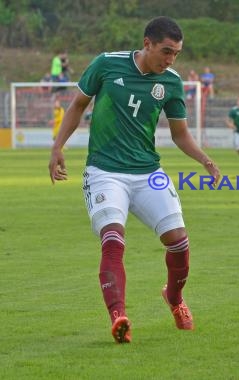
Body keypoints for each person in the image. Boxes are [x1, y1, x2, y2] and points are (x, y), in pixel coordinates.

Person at [48, 16, 221, 344]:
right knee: (113, 239)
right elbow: (77, 105)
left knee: (179, 242)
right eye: (166, 52)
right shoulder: (106, 65)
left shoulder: (170, 82)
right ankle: (119, 317)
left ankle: (174, 297)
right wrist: (58, 147)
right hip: (104, 171)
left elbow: (180, 134)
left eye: (176, 54)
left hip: (148, 173)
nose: (170, 60)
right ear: (147, 44)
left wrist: (205, 160)